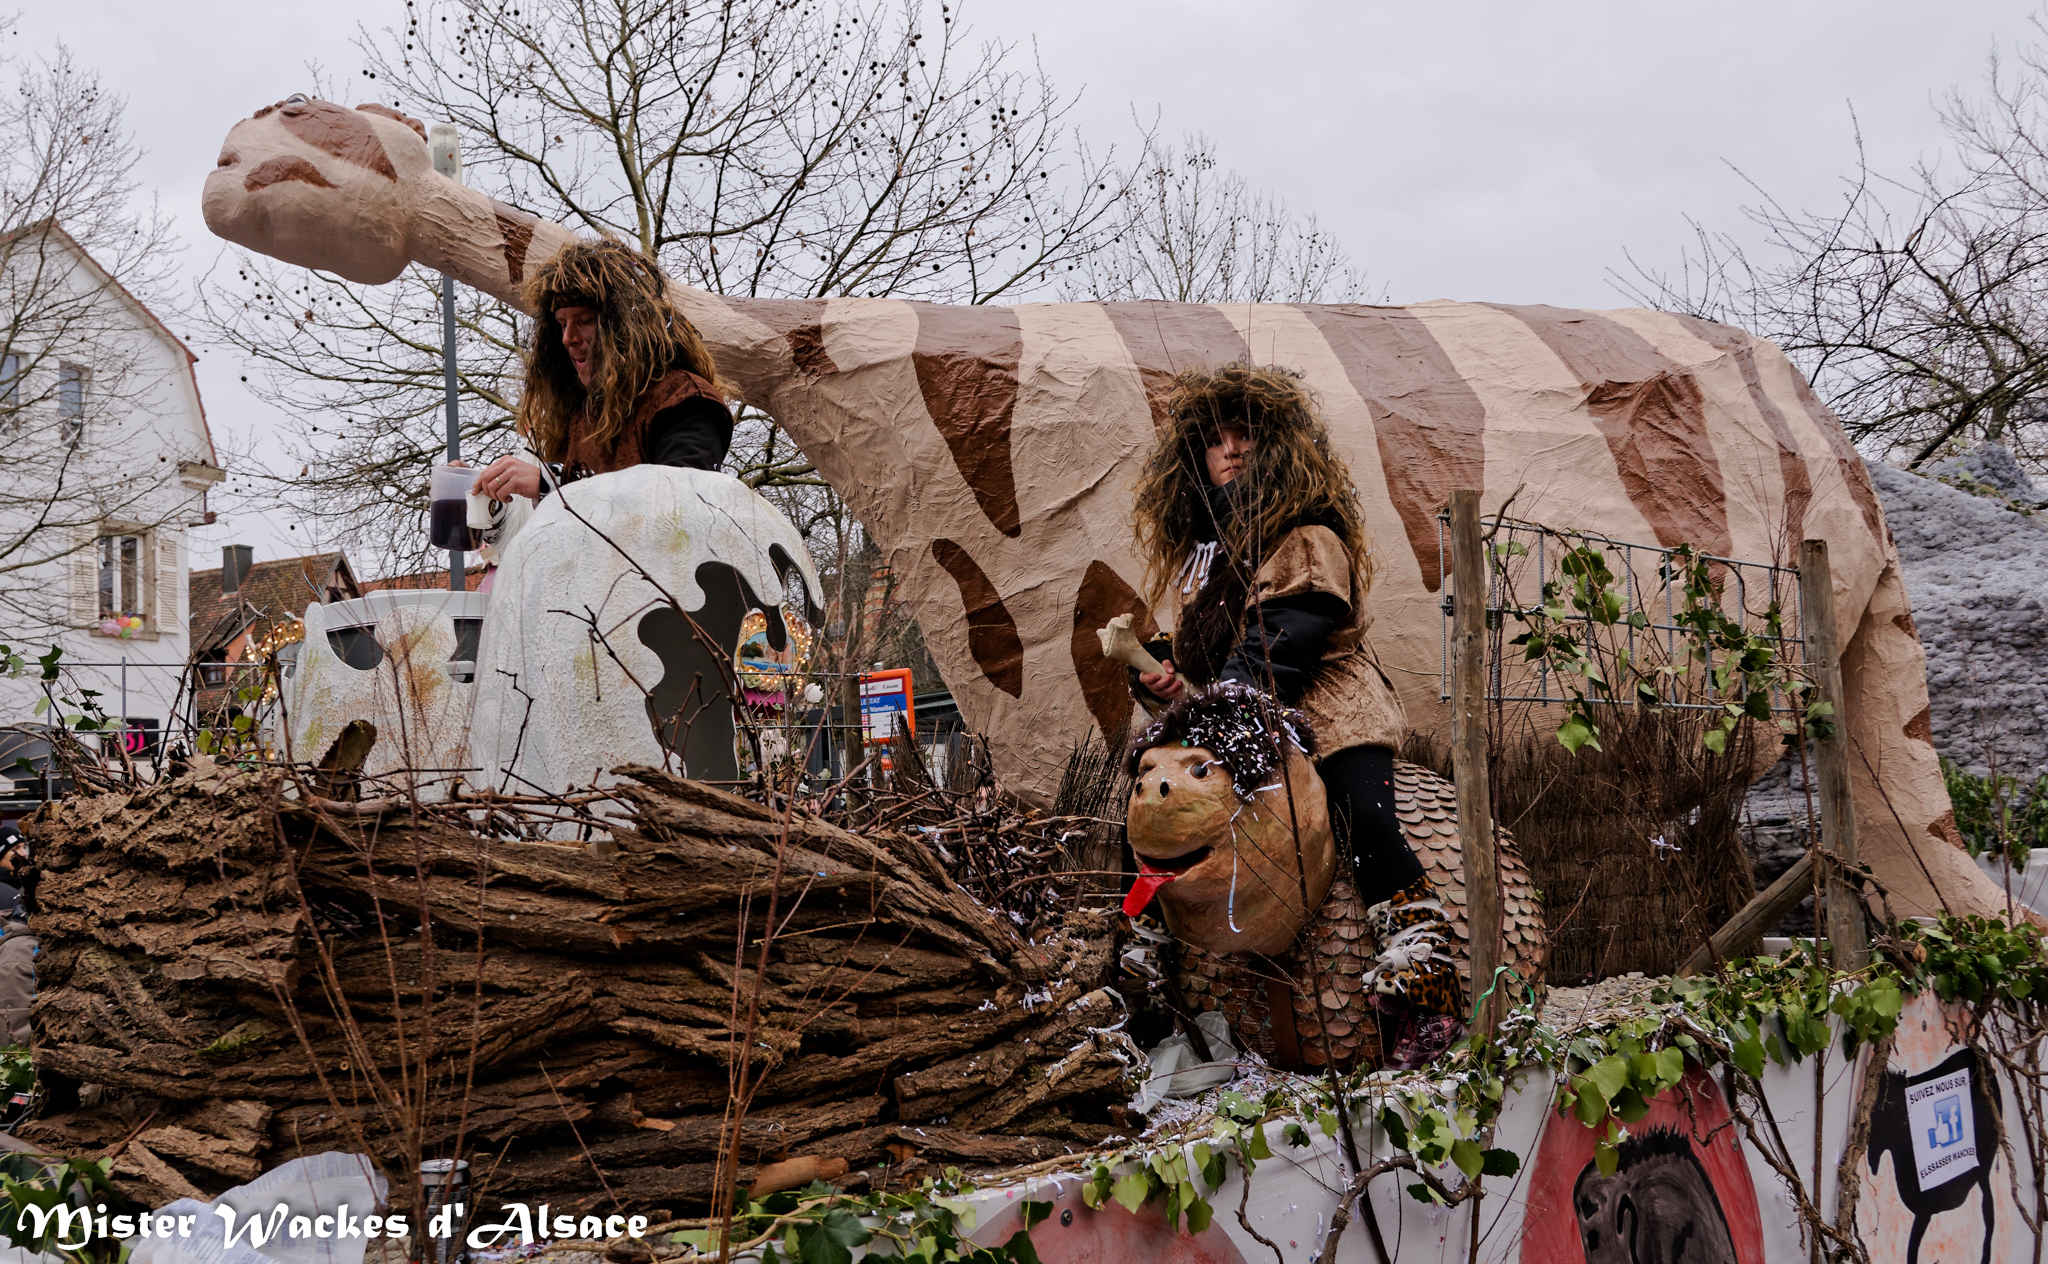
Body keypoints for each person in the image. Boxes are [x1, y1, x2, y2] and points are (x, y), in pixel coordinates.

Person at [1126, 362, 1463, 1068]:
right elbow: (1223, 668)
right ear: (1197, 459)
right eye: (1216, 441)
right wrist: (1168, 686)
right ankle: (1145, 978)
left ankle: (1427, 989)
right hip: (1242, 718)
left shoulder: (1308, 537)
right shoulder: (1207, 562)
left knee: (1363, 817)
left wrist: (1218, 702)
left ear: (1281, 447)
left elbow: (1280, 644)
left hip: (1330, 711)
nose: (1233, 450)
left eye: (1247, 434)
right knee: (1151, 822)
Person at [465, 238, 734, 505]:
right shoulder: (575, 418)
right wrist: (489, 502)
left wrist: (554, 483)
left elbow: (679, 509)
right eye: (562, 324)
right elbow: (550, 531)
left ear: (628, 326)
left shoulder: (685, 401)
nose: (568, 338)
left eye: (584, 321)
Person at [0, 825, 36, 1048]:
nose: (22, 854)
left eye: (24, 847)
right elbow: (14, 1045)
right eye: (14, 849)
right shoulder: (19, 956)